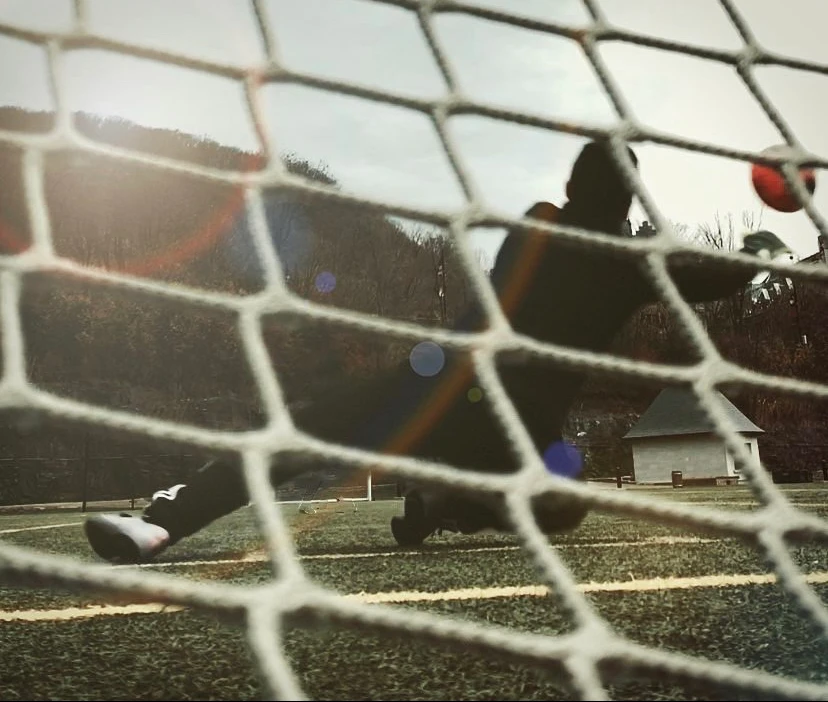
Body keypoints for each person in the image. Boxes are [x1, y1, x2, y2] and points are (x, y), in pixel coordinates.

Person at [84, 139, 794, 563]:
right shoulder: (633, 260)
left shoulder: (537, 225)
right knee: (560, 502)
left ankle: (160, 526)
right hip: (516, 434)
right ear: (631, 201)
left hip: (438, 387)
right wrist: (762, 249)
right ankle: (449, 503)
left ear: (573, 187)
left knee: (293, 440)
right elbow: (709, 276)